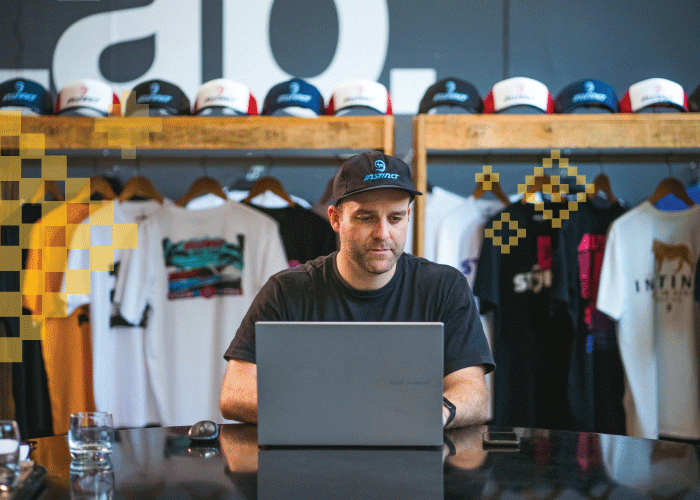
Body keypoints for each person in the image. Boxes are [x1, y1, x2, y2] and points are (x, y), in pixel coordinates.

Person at [220, 151, 495, 428]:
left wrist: (439, 412)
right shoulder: (286, 291)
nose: (383, 233)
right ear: (335, 218)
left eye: (396, 218)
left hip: (411, 459)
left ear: (409, 216)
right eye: (366, 218)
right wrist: (338, 412)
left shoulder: (444, 287)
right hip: (311, 462)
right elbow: (234, 393)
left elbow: (474, 393)